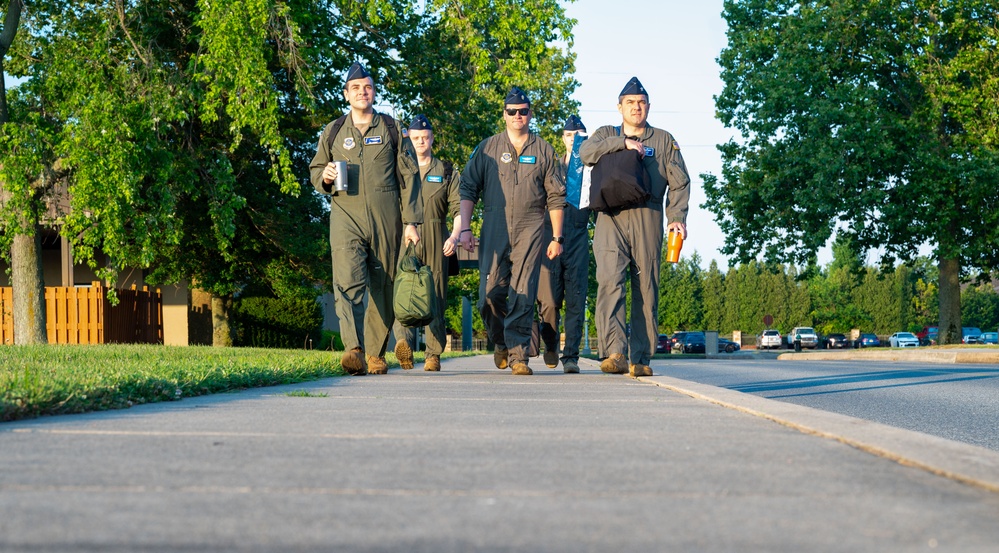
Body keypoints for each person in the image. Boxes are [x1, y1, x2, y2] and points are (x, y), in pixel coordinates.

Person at [309, 62, 422, 376]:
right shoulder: (333, 131)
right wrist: (326, 176)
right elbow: (316, 170)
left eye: (367, 87)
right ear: (346, 94)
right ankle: (353, 349)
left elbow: (410, 176)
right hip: (346, 214)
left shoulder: (390, 128)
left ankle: (375, 354)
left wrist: (411, 222)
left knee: (383, 284)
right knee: (347, 281)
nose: (362, 92)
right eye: (355, 88)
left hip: (388, 216)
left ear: (374, 93)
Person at [579, 77, 691, 378]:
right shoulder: (605, 134)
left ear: (648, 107)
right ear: (620, 107)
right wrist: (623, 143)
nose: (636, 107)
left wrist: (676, 217)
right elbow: (585, 153)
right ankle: (614, 353)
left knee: (646, 288)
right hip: (610, 217)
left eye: (641, 103)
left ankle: (640, 358)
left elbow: (680, 182)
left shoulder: (664, 140)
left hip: (648, 215)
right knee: (609, 281)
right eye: (630, 103)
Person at [459, 86, 566, 376]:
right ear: (504, 114)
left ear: (530, 113)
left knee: (522, 292)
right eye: (512, 111)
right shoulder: (487, 148)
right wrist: (465, 228)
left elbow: (556, 196)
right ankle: (501, 341)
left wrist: (556, 237)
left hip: (531, 226)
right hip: (494, 224)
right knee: (488, 296)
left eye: (523, 111)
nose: (518, 116)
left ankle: (519, 356)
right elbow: (468, 187)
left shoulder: (544, 150)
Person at [392, 115, 462, 372]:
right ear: (409, 137)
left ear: (432, 139)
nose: (421, 141)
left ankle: (433, 355)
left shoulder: (445, 170)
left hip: (436, 234)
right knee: (404, 291)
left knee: (436, 296)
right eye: (416, 137)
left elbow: (457, 209)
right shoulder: (400, 168)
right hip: (405, 235)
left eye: (426, 137)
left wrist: (454, 236)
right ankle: (404, 344)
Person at [536, 115, 591, 374]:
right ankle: (550, 344)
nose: (574, 140)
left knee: (576, 298)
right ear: (563, 138)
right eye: (570, 135)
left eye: (579, 135)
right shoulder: (551, 166)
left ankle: (571, 357)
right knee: (548, 299)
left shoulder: (592, 170)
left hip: (579, 236)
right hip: (551, 236)